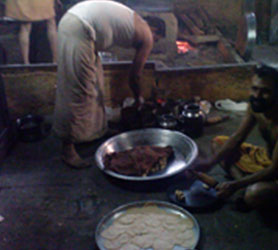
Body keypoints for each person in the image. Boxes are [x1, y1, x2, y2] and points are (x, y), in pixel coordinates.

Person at [52, 1, 165, 169]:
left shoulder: (136, 20)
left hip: (78, 24)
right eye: (156, 40)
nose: (152, 43)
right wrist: (138, 98)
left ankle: (98, 131)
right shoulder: (147, 35)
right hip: (79, 29)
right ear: (154, 30)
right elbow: (135, 75)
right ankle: (67, 148)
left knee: (96, 83)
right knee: (78, 91)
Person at [193, 64, 278, 210]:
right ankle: (243, 184)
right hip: (267, 158)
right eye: (254, 89)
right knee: (218, 143)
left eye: (265, 92)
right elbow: (238, 138)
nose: (257, 96)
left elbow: (274, 170)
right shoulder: (255, 106)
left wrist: (235, 186)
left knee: (254, 194)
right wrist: (210, 163)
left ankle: (244, 188)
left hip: (275, 169)